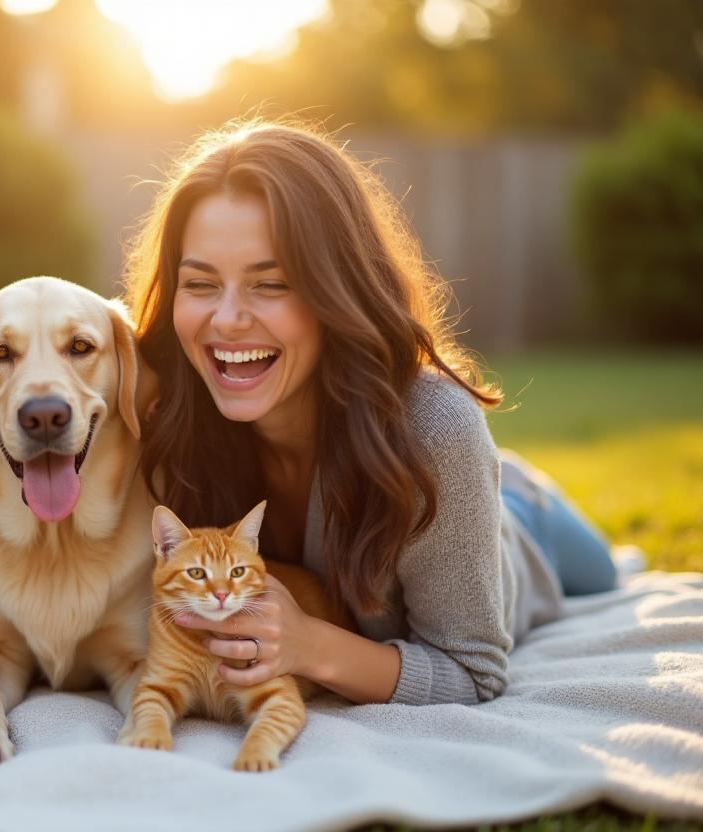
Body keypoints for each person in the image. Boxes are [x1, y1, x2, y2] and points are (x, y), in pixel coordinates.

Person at [123, 120, 619, 706]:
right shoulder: (157, 413)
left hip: (524, 533)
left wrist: (310, 646)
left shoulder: (436, 434)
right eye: (201, 284)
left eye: (272, 283)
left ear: (337, 288)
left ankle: (519, 489)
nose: (228, 319)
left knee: (606, 572)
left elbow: (473, 671)